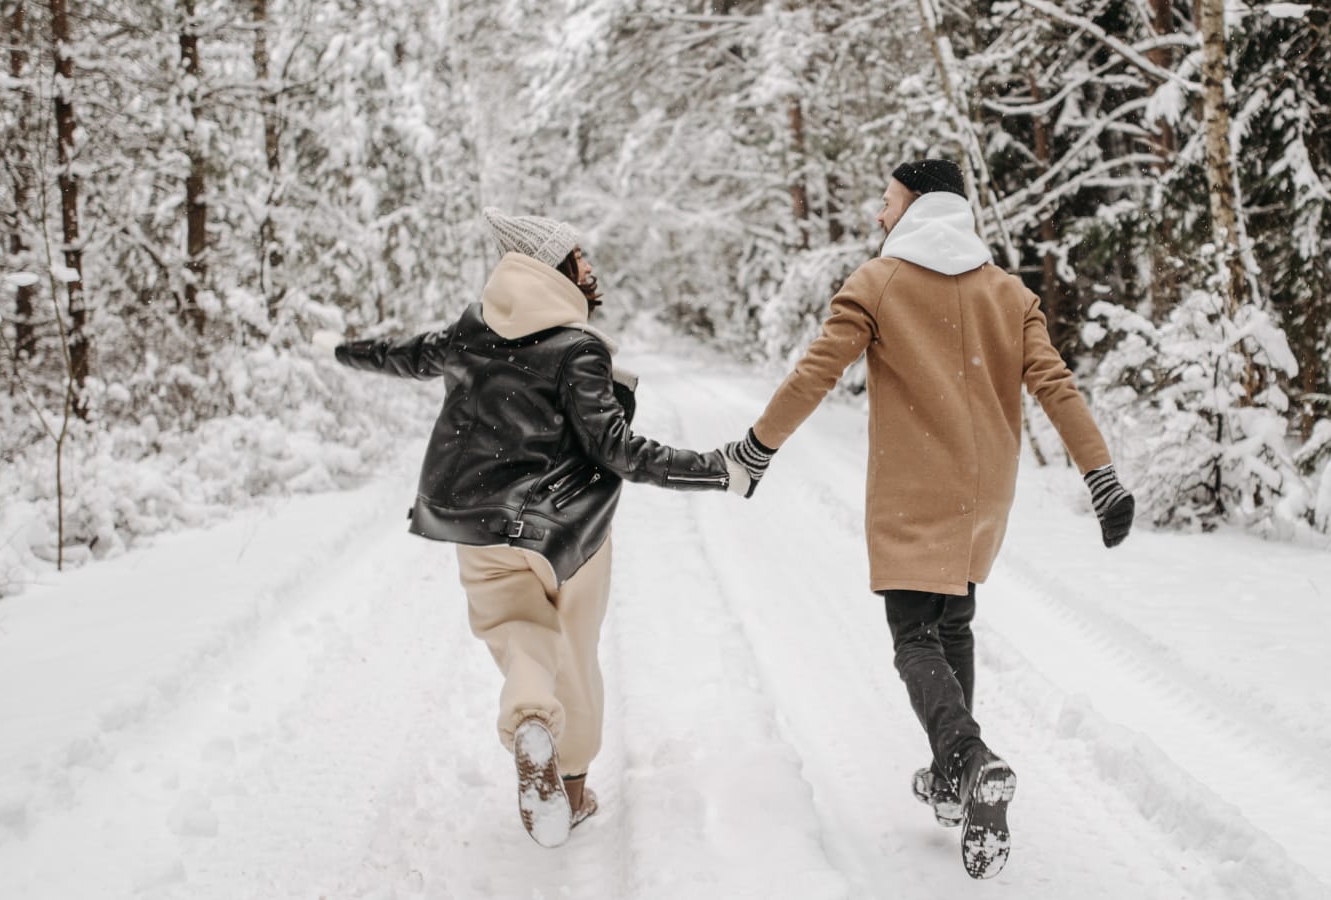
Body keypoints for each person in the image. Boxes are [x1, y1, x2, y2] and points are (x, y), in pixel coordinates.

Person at [721, 159, 1135, 879]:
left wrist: (756, 449)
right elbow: (1055, 386)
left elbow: (816, 372)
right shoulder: (1008, 292)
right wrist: (1099, 475)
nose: (879, 216)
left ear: (915, 206)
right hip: (985, 496)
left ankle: (970, 762)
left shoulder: (878, 283)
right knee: (954, 624)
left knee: (914, 634)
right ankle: (951, 778)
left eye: (886, 202)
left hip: (915, 491)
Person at [331, 208, 750, 849]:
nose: (591, 268)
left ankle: (531, 722)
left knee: (519, 635)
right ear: (555, 269)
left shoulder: (471, 331)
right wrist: (714, 470)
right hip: (564, 535)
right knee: (574, 657)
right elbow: (616, 450)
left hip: (474, 522)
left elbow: (406, 356)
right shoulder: (576, 349)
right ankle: (573, 791)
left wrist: (339, 349)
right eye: (580, 258)